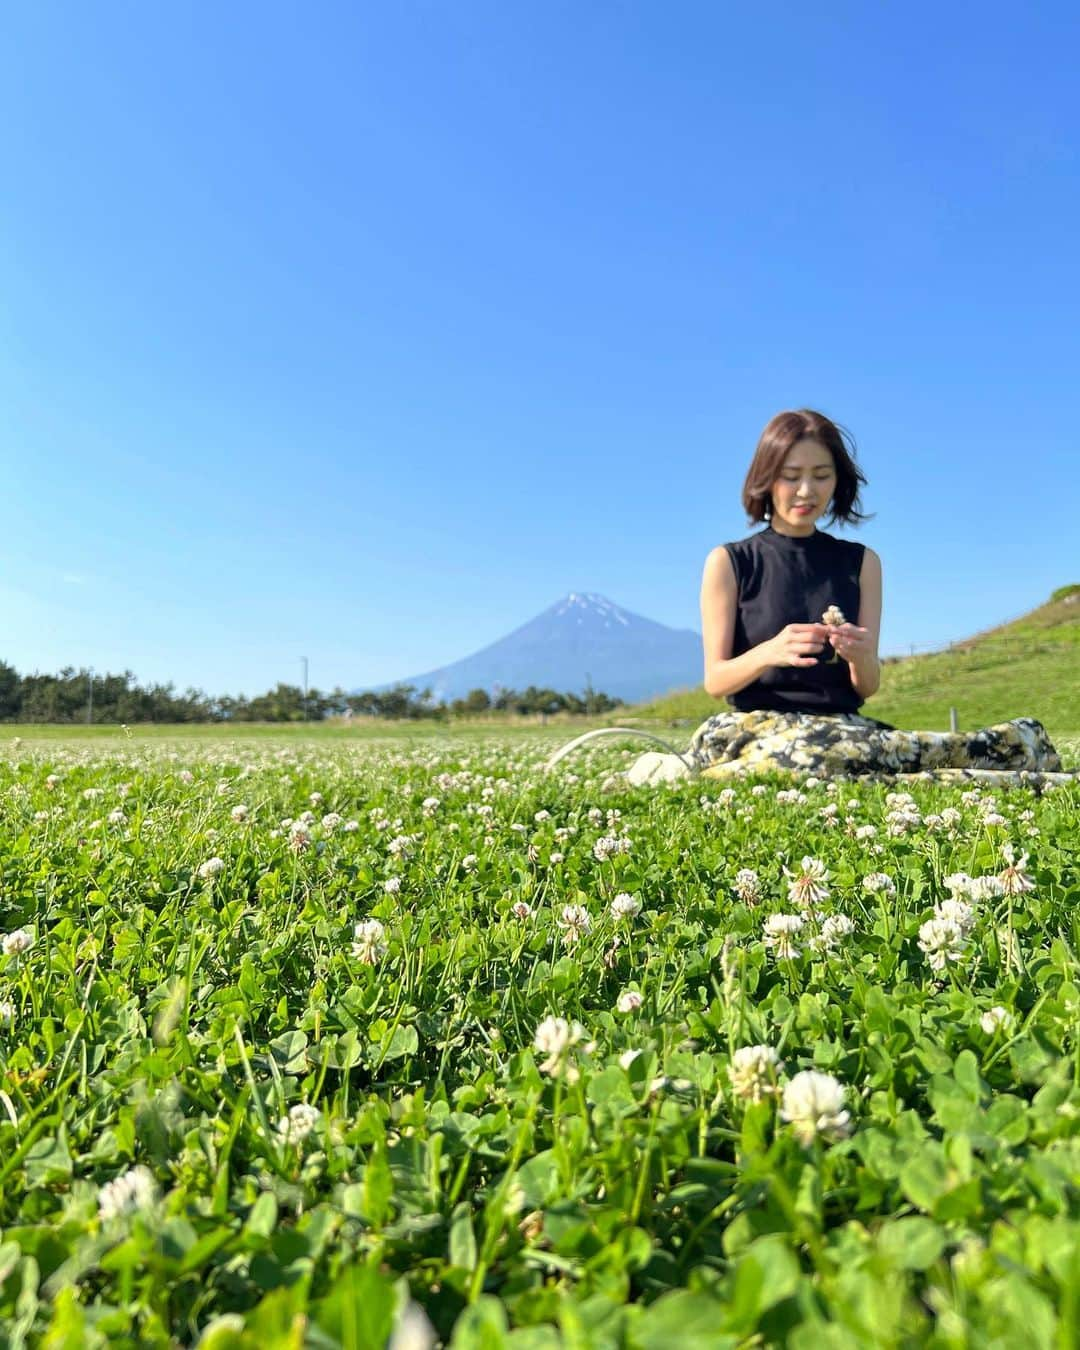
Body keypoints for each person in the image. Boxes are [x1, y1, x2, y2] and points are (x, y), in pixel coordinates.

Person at [689, 408, 1069, 783]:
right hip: (759, 728)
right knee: (813, 755)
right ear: (767, 479)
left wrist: (860, 656)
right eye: (791, 477)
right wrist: (770, 652)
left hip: (845, 731)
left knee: (997, 742)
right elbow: (716, 681)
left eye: (822, 476)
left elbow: (866, 686)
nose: (807, 491)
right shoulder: (730, 561)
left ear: (838, 480)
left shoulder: (862, 563)